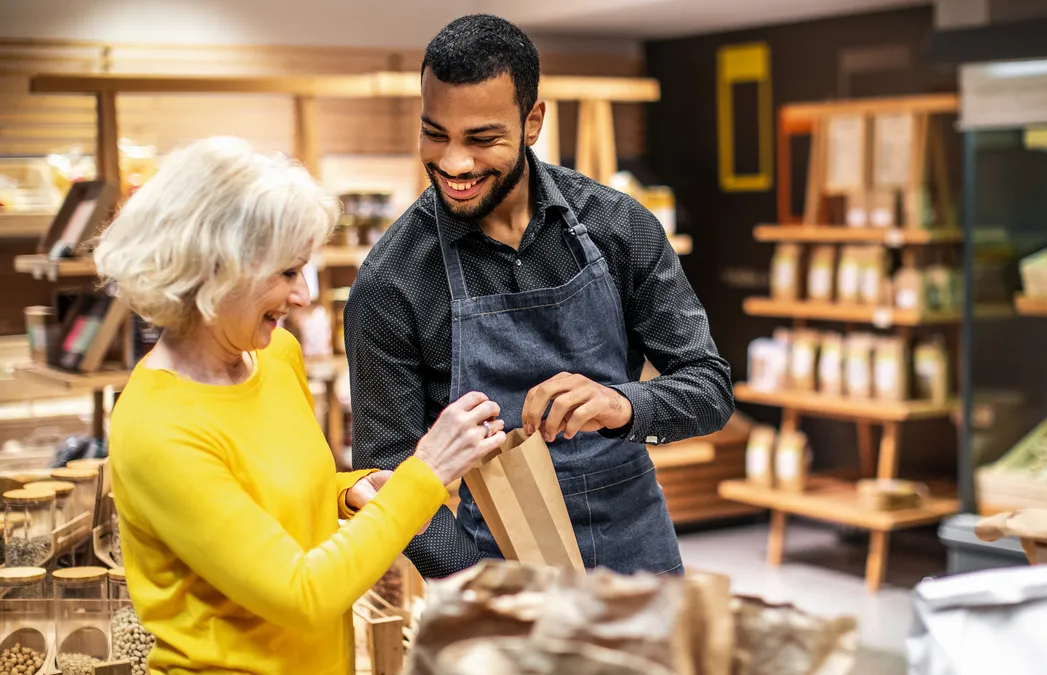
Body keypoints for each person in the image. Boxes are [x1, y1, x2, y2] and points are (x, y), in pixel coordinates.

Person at [93, 136, 507, 675]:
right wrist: (422, 474)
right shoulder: (159, 429)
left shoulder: (273, 357)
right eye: (287, 273)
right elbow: (302, 592)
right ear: (216, 271)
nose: (303, 297)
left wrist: (347, 493)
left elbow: (273, 494)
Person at [345, 14, 734, 579]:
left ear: (532, 122)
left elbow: (710, 387)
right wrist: (485, 582)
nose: (454, 164)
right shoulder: (393, 281)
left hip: (638, 559)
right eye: (436, 134)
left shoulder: (617, 228)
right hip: (493, 570)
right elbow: (387, 479)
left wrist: (624, 405)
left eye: (482, 139)